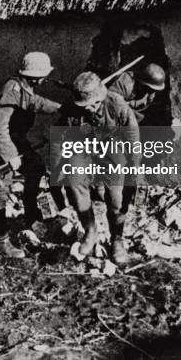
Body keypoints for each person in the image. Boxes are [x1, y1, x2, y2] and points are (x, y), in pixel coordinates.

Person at [53, 72, 140, 265]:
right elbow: (59, 137)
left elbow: (133, 135)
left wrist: (134, 166)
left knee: (116, 196)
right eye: (85, 106)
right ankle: (90, 232)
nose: (90, 109)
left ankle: (116, 239)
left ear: (101, 97)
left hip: (112, 148)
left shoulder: (116, 104)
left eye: (94, 104)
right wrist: (56, 164)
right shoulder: (71, 108)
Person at [0, 52, 61, 257]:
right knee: (1, 188)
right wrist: (9, 155)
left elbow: (35, 102)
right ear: (36, 76)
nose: (45, 79)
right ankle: (1, 241)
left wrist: (60, 108)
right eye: (43, 75)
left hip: (15, 141)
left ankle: (31, 216)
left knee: (36, 167)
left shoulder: (25, 88)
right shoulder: (11, 89)